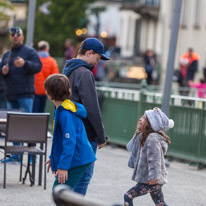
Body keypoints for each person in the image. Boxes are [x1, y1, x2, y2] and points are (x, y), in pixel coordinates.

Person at [62, 37, 110, 195]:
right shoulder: (84, 74)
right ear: (89, 52)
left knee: (73, 176)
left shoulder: (67, 70)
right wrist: (101, 136)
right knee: (83, 178)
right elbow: (92, 108)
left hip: (70, 128)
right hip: (85, 134)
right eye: (97, 58)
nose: (97, 62)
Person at [44, 74, 96, 190]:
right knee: (63, 193)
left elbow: (69, 141)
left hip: (78, 158)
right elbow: (61, 139)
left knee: (59, 191)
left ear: (49, 95)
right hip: (78, 157)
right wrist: (53, 156)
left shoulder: (65, 113)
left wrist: (63, 167)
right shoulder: (64, 108)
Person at [0, 27, 42, 163]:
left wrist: (25, 63)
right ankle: (16, 155)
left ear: (22, 37)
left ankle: (32, 157)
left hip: (25, 94)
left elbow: (38, 66)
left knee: (28, 126)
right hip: (10, 95)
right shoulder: (7, 54)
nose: (15, 37)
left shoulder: (30, 52)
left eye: (18, 35)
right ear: (10, 37)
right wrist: (3, 71)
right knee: (12, 127)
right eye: (13, 35)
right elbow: (1, 73)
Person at [124, 107, 174, 206]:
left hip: (150, 180)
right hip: (152, 180)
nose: (140, 119)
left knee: (128, 195)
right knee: (160, 204)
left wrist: (154, 177)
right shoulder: (144, 136)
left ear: (150, 123)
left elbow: (155, 160)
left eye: (143, 118)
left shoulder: (151, 139)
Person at [32, 40, 59, 113]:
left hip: (34, 90)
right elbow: (55, 77)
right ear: (47, 49)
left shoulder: (34, 59)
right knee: (42, 112)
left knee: (34, 112)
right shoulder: (52, 61)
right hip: (45, 91)